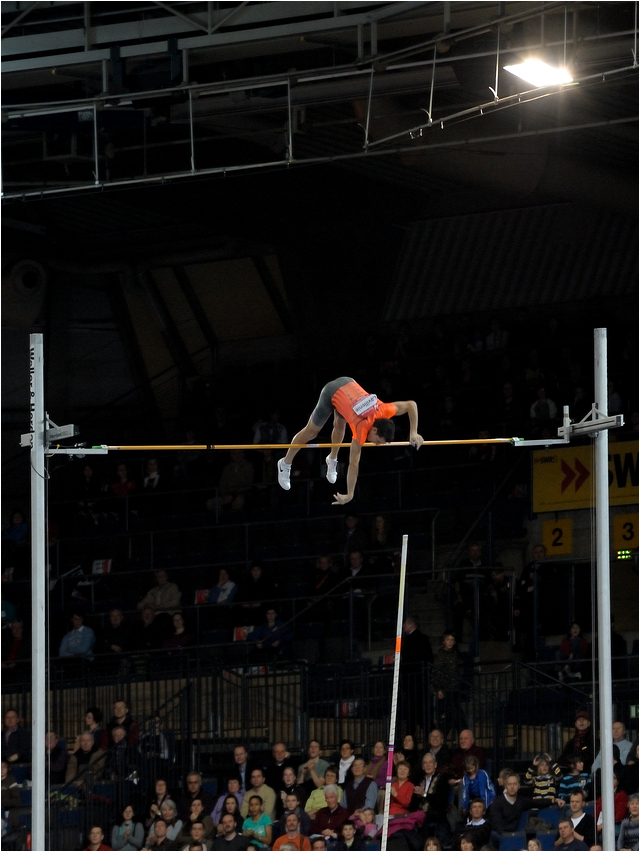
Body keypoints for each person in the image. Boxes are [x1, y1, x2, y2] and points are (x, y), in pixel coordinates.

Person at [277, 376, 424, 505]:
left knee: (340, 425)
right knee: (312, 432)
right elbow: (354, 464)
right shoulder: (362, 428)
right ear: (374, 430)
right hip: (332, 392)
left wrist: (413, 432)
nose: (376, 444)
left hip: (349, 386)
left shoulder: (385, 410)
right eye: (378, 441)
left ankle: (332, 459)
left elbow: (412, 404)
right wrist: (350, 494)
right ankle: (285, 463)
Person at [432, 632, 465, 739]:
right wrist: (439, 689)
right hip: (446, 690)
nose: (450, 642)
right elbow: (436, 673)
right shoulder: (441, 655)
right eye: (448, 640)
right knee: (451, 716)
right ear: (443, 642)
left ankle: (461, 737)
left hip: (454, 689)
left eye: (452, 640)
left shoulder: (454, 653)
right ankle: (441, 738)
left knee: (456, 716)